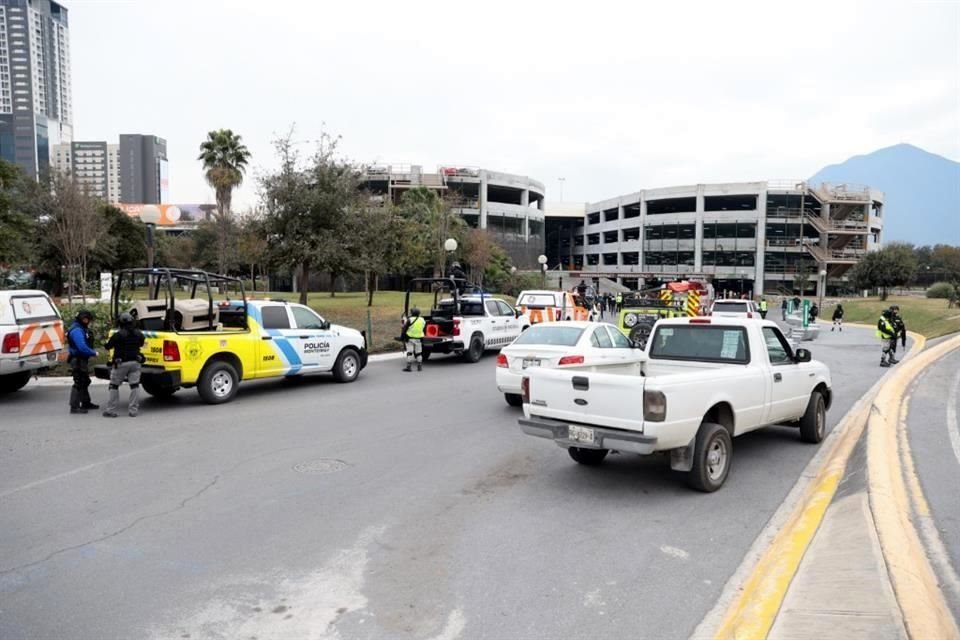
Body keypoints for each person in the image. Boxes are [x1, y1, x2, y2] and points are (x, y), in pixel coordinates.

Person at [103, 312, 146, 418]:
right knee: (135, 385)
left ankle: (111, 410)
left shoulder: (118, 335)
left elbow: (108, 346)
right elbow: (141, 343)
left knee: (114, 385)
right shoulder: (138, 334)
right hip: (135, 362)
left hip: (120, 363)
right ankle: (133, 410)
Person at [67, 309, 99, 414]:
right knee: (79, 382)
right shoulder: (77, 330)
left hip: (81, 359)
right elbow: (82, 347)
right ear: (82, 319)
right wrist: (93, 352)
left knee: (85, 381)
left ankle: (86, 402)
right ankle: (74, 406)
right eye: (86, 319)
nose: (88, 321)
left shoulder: (81, 328)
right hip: (78, 359)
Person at [402, 307, 426, 372]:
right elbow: (423, 328)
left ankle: (408, 367)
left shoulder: (410, 320)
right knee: (419, 353)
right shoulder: (422, 320)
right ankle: (419, 367)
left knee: (410, 353)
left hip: (410, 338)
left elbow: (404, 329)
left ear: (412, 313)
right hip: (419, 338)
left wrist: (402, 337)